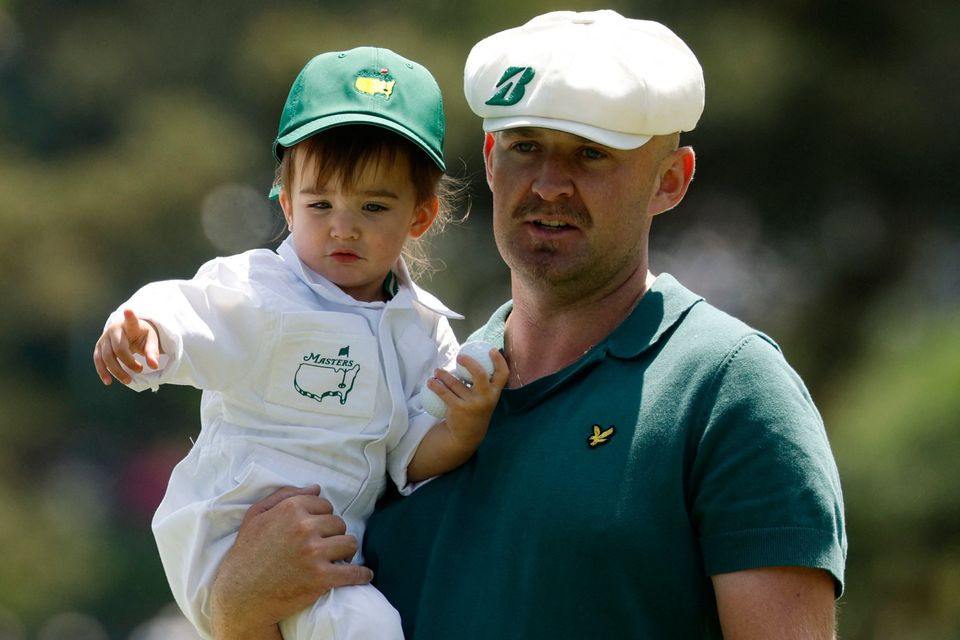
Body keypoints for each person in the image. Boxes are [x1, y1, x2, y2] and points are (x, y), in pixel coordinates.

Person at [206, 10, 847, 640]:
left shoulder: (731, 390)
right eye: (525, 147)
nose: (548, 185)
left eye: (591, 155)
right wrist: (237, 610)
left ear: (670, 181)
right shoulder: (423, 376)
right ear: (490, 159)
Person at [92, 46, 508, 640]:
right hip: (233, 534)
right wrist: (143, 331)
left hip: (326, 550)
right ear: (286, 203)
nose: (343, 225)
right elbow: (190, 310)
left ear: (419, 216)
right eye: (320, 204)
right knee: (368, 628)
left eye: (373, 205)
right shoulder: (264, 291)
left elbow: (410, 453)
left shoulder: (423, 328)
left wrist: (461, 432)